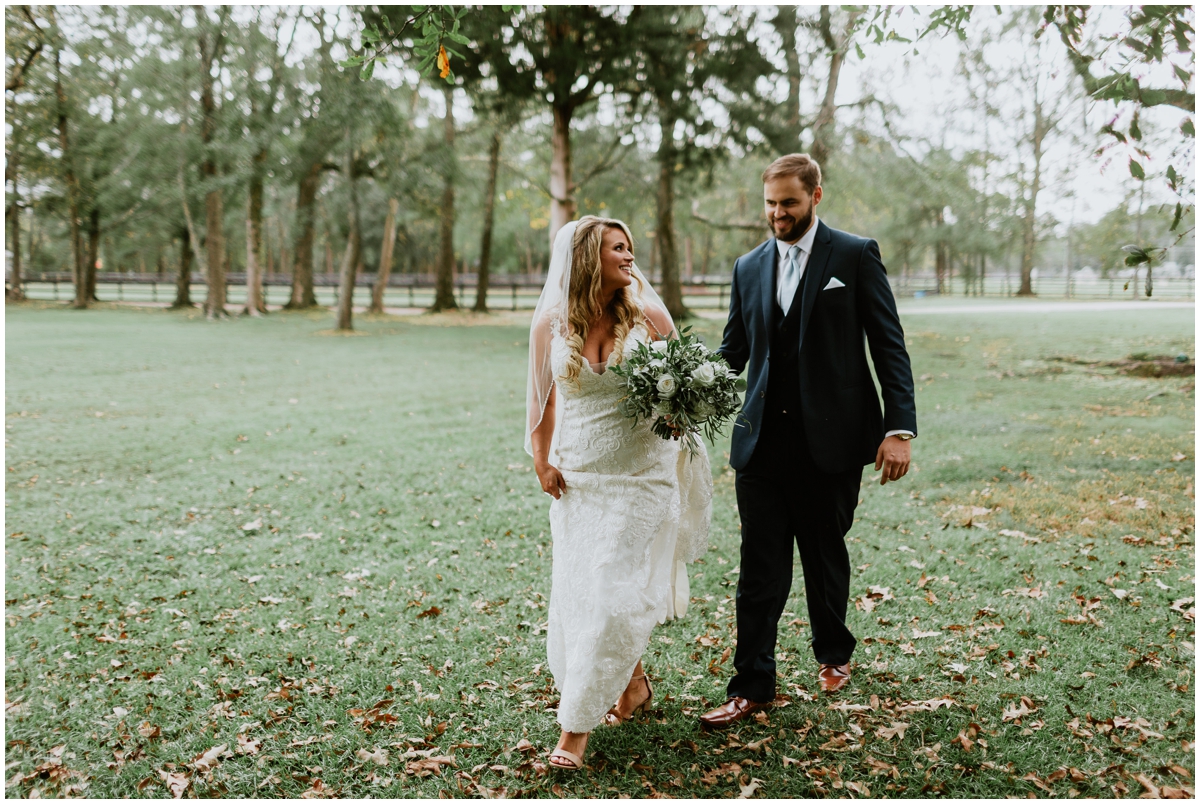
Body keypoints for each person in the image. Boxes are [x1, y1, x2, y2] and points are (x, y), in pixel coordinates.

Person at [700, 154, 917, 729]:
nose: (777, 214)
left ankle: (833, 652)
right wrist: (685, 391)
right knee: (759, 567)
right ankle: (752, 686)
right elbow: (733, 352)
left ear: (815, 196)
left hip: (836, 440)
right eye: (770, 203)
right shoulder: (748, 266)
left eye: (788, 203)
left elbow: (888, 346)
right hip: (762, 444)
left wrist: (898, 428)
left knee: (824, 552)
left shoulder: (853, 254)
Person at [526, 216, 713, 768]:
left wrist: (682, 416)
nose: (630, 257)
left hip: (642, 474)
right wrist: (540, 459)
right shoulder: (550, 326)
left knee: (609, 594)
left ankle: (573, 733)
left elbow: (688, 384)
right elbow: (543, 402)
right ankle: (633, 685)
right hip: (578, 475)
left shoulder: (650, 317)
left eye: (631, 247)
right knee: (586, 591)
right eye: (618, 248)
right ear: (588, 258)